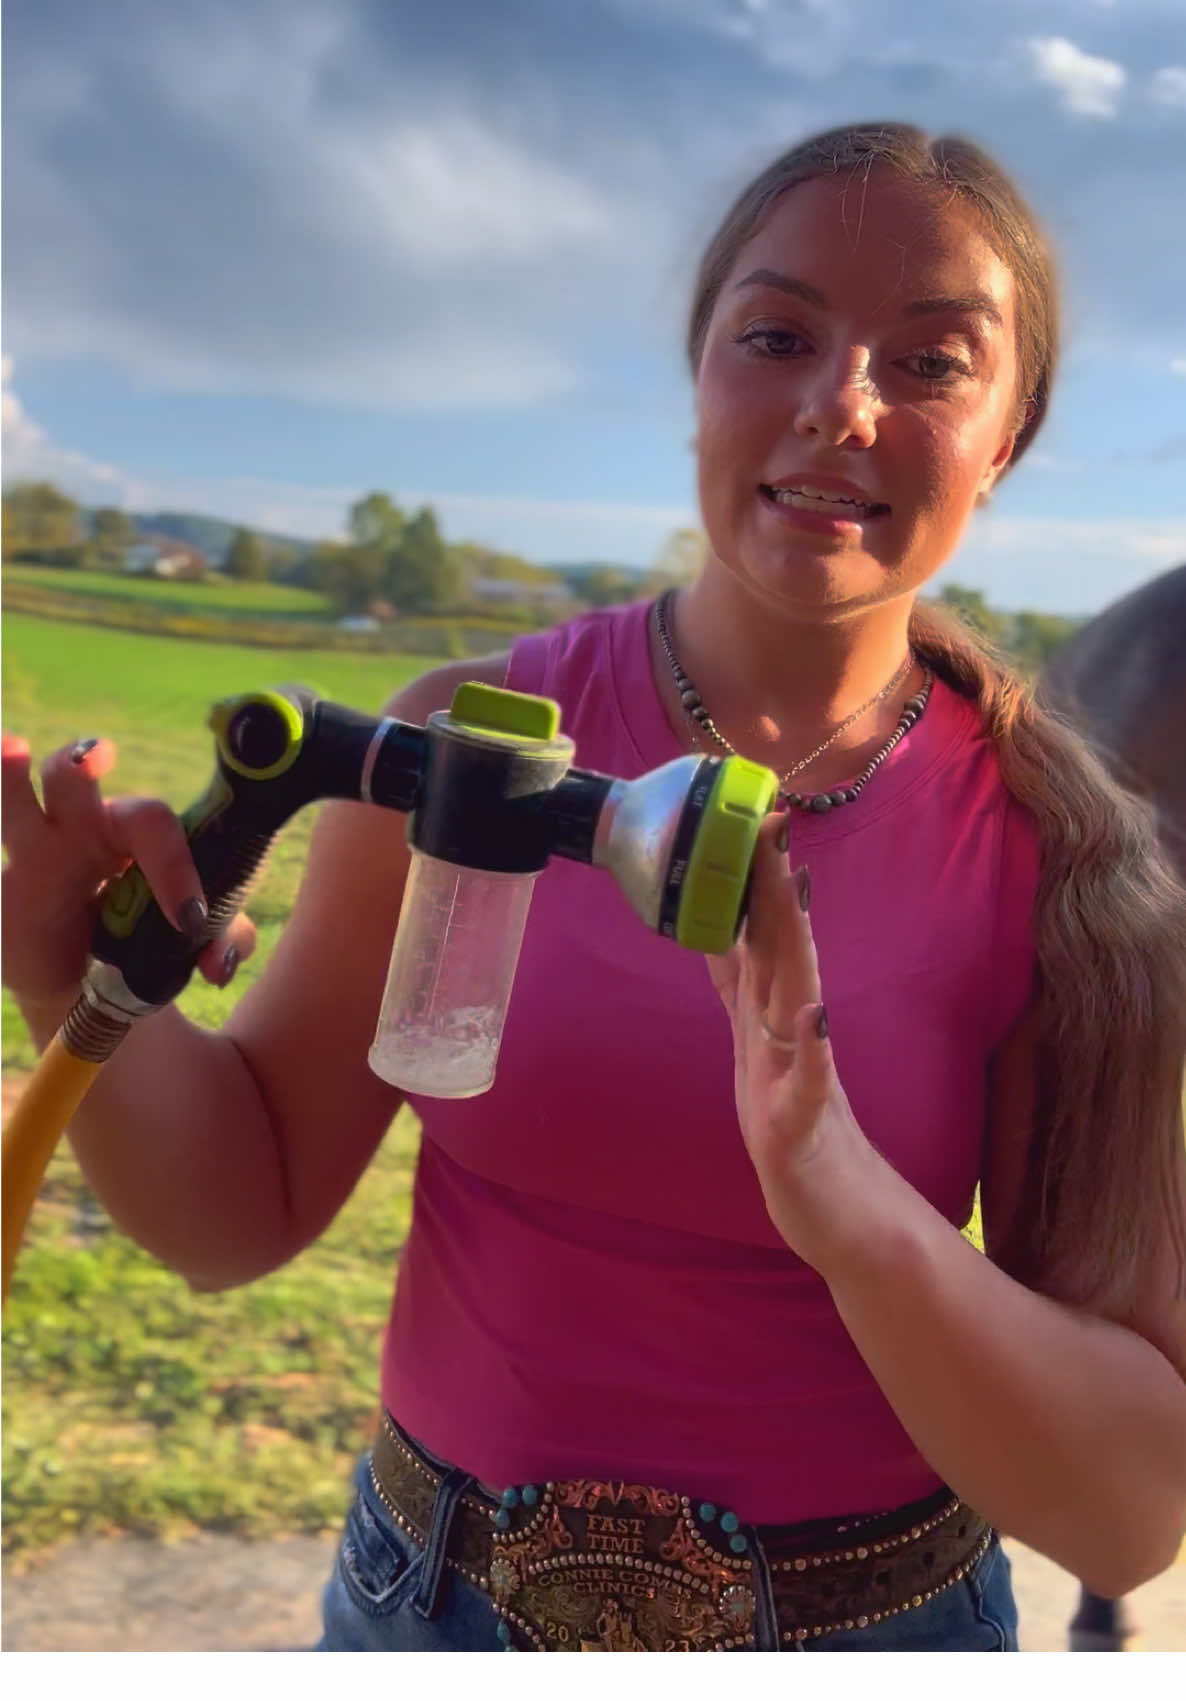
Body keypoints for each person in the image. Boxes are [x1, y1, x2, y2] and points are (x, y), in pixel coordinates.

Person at [4, 121, 1186, 1655]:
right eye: (776, 336)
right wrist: (67, 969)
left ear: (1004, 438)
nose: (839, 404)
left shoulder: (1061, 860)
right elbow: (238, 1213)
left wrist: (845, 1205)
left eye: (930, 361)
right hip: (423, 1621)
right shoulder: (450, 746)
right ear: (700, 374)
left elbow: (1122, 1514)